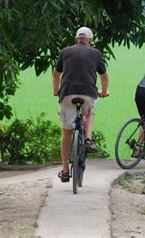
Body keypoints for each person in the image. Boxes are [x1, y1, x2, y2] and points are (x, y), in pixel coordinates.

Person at [53, 27, 109, 182]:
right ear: (90, 40)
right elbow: (104, 77)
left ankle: (65, 170)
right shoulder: (95, 53)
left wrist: (55, 90)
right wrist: (104, 92)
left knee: (66, 132)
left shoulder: (65, 51)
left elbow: (56, 73)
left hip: (67, 94)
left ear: (76, 38)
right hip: (88, 94)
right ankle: (88, 139)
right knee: (89, 113)